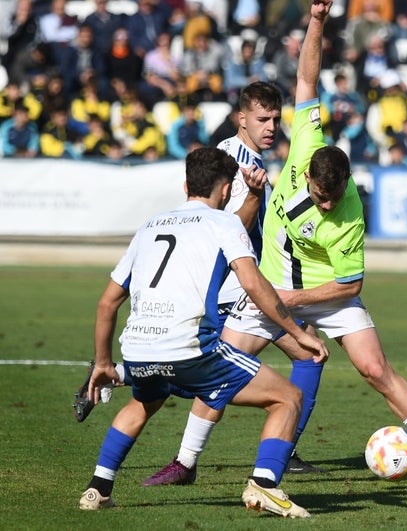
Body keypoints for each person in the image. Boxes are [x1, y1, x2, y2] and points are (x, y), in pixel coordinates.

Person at [222, 0, 407, 480]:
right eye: (320, 196)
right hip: (273, 282)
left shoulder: (350, 216)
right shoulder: (306, 141)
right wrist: (316, 20)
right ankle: (185, 458)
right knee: (220, 369)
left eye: (333, 198)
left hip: (321, 293)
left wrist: (296, 298)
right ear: (310, 172)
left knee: (376, 370)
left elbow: (349, 286)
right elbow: (307, 81)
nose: (327, 204)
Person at [77, 146, 328, 517]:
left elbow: (106, 303)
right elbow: (255, 285)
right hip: (192, 349)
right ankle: (265, 486)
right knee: (287, 397)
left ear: (185, 185)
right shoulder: (223, 224)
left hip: (138, 348)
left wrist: (102, 362)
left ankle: (97, 489)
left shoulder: (150, 226)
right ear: (226, 191)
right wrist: (298, 332)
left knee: (144, 402)